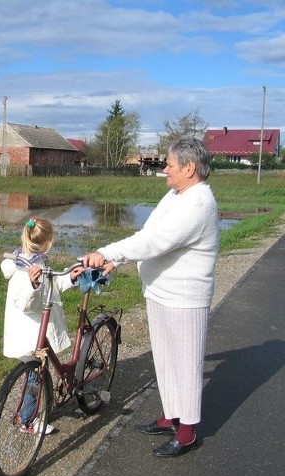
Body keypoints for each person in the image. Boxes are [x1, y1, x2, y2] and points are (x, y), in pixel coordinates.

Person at [82, 137, 219, 457]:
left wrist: (106, 252)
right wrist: (119, 259)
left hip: (184, 298)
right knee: (166, 359)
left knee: (185, 364)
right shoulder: (176, 194)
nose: (165, 170)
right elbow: (148, 235)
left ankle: (187, 433)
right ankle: (172, 416)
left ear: (190, 168)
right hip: (160, 292)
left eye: (170, 165)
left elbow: (158, 241)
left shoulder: (198, 203)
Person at [1, 217, 84, 434]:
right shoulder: (24, 271)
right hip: (31, 335)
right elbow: (27, 304)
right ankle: (27, 420)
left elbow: (52, 285)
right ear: (49, 242)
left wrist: (70, 277)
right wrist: (33, 284)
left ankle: (42, 408)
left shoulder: (36, 262)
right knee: (34, 378)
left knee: (40, 373)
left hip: (36, 332)